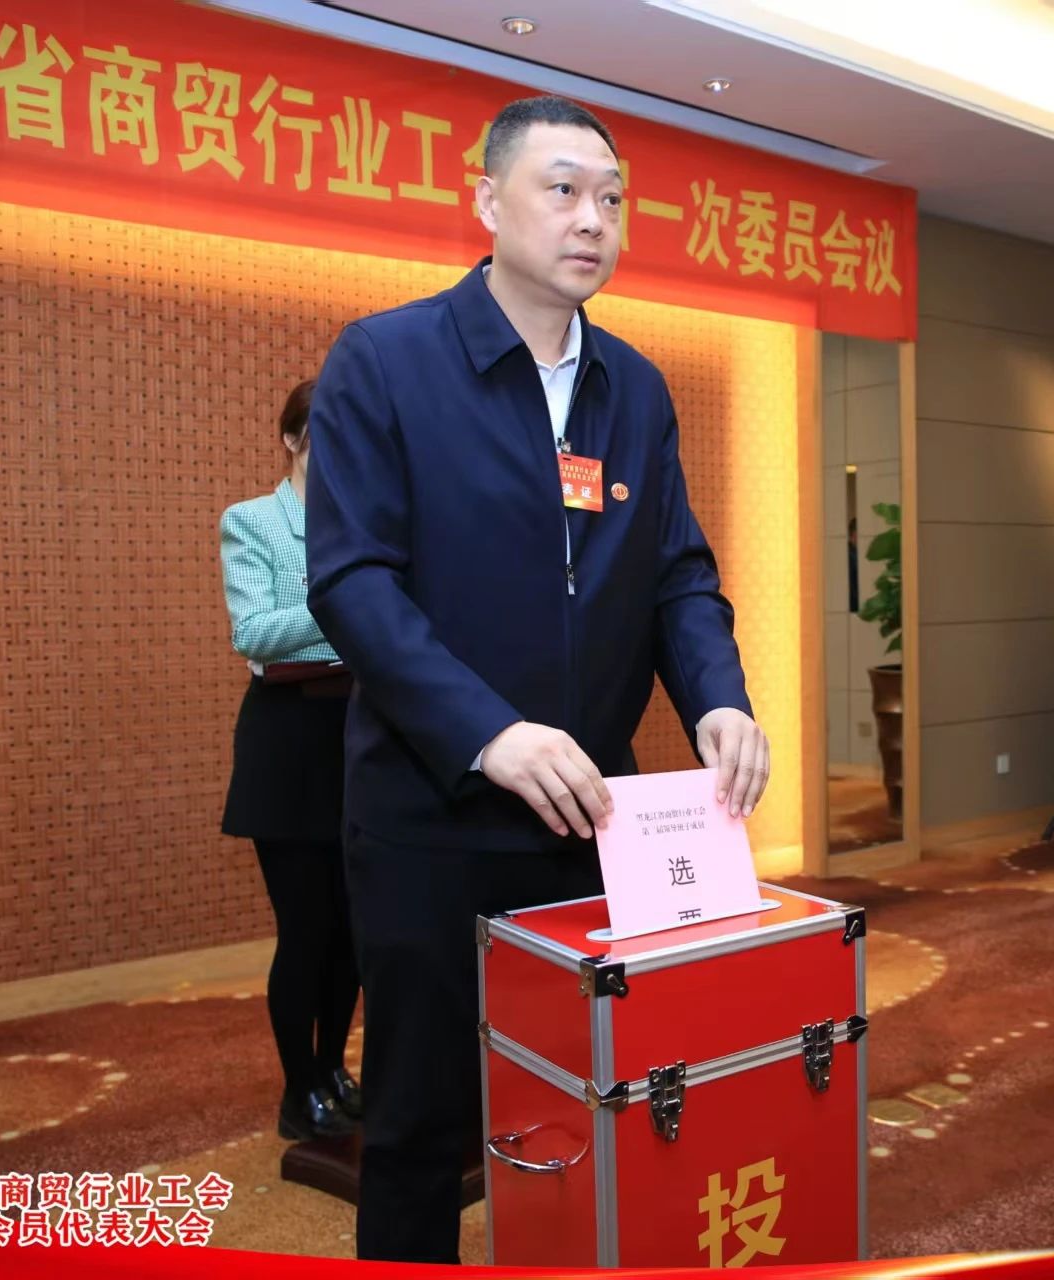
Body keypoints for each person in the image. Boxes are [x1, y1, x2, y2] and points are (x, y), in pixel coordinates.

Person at [305, 95, 771, 1263]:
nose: (593, 218)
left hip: (589, 819)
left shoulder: (635, 389)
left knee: (587, 1096)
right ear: (486, 199)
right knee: (422, 1121)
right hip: (433, 814)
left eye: (612, 197)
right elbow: (353, 582)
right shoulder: (387, 360)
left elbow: (677, 574)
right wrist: (488, 731)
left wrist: (718, 695)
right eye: (562, 189)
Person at [219, 380, 362, 1143]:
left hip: (361, 736)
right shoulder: (252, 521)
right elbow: (254, 632)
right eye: (321, 434)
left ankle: (334, 1069)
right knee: (305, 931)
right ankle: (297, 1088)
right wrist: (347, 602)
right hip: (288, 744)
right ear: (291, 439)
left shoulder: (365, 521)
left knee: (355, 933)